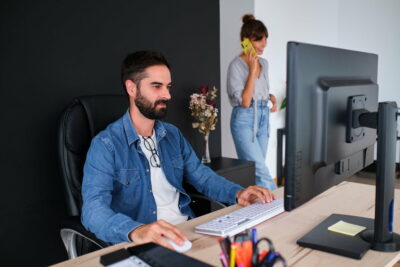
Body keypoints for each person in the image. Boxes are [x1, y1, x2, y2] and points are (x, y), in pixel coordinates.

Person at [81, 50, 275, 250]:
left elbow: (203, 177)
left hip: (186, 233)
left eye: (168, 86)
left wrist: (239, 193)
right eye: (156, 86)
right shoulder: (106, 145)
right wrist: (137, 231)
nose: (167, 95)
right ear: (131, 88)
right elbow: (93, 211)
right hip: (146, 243)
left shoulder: (172, 135)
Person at [227, 14, 278, 190]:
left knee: (257, 170)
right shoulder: (236, 65)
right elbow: (246, 101)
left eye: (265, 39)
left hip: (263, 118)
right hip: (244, 120)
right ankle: (281, 205)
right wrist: (252, 69)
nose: (264, 44)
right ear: (246, 41)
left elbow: (258, 91)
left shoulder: (265, 63)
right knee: (261, 171)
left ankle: (259, 211)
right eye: (259, 39)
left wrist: (270, 97)